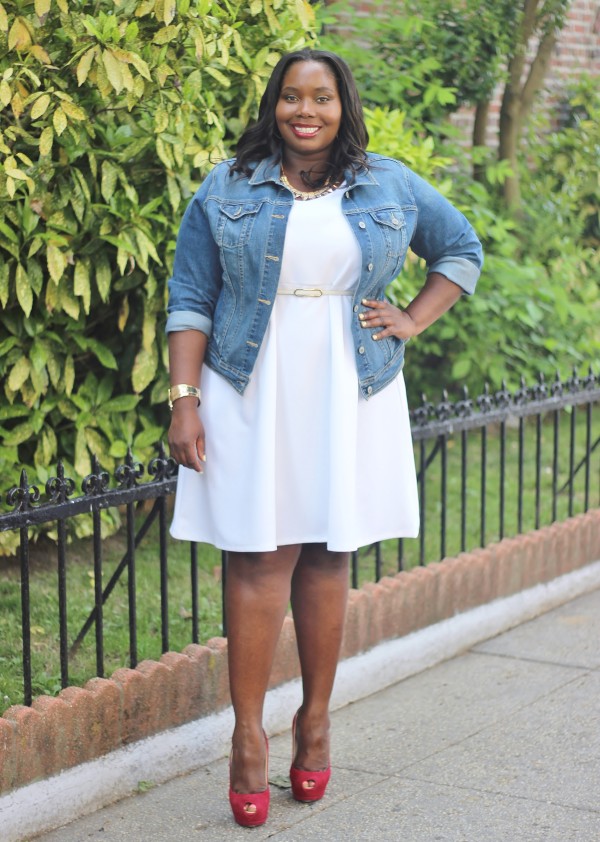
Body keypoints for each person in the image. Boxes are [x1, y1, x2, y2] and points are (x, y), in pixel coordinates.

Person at [166, 48, 483, 827]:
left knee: (327, 552)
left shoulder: (388, 181)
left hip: (350, 385)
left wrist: (412, 318)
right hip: (249, 383)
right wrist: (184, 399)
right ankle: (247, 736)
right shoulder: (228, 183)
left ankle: (314, 720)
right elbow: (190, 294)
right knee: (256, 551)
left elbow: (461, 249)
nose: (305, 111)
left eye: (322, 98)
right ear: (272, 104)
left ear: (344, 107)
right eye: (290, 97)